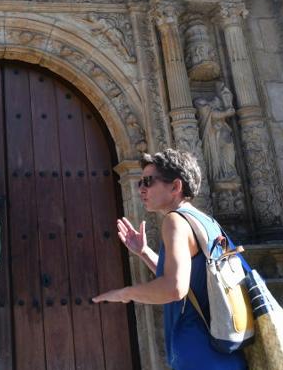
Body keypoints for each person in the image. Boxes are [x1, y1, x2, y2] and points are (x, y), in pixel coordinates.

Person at [93, 149, 246, 370]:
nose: (141, 189)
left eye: (148, 181)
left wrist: (125, 293)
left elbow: (174, 288)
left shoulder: (175, 221)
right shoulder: (206, 221)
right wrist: (144, 252)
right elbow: (188, 281)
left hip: (199, 353)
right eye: (139, 182)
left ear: (175, 187)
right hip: (222, 352)